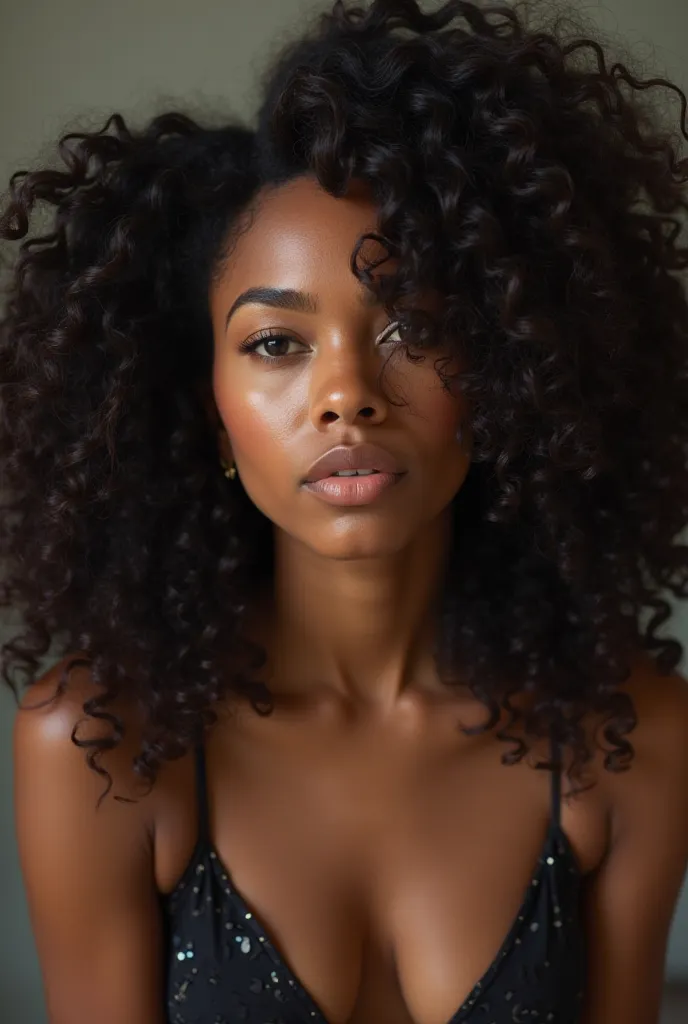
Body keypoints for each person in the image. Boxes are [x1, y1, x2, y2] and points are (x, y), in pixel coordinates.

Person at [2, 0, 688, 1021]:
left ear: (504, 366)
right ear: (209, 404)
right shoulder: (104, 745)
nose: (346, 393)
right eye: (276, 343)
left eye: (411, 324)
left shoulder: (625, 741)